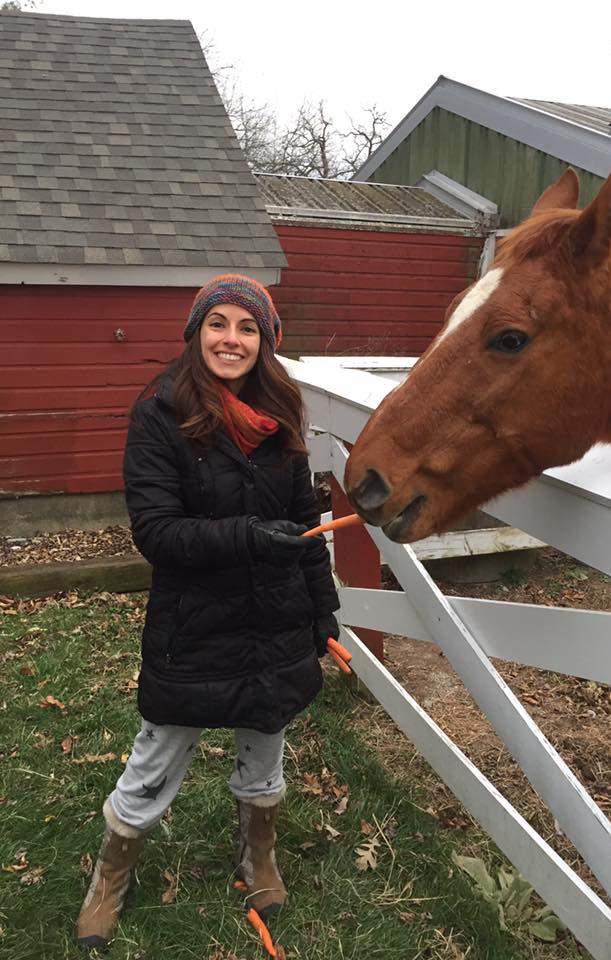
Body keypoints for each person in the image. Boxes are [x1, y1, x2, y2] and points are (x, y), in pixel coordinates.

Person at [76, 274, 340, 951]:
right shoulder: (160, 412)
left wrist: (322, 612)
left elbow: (306, 520)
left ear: (266, 340)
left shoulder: (282, 409)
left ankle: (258, 854)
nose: (232, 338)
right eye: (218, 323)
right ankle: (113, 870)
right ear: (197, 333)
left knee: (265, 737)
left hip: (275, 619)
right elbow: (157, 532)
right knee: (159, 752)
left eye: (247, 327)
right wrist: (249, 535)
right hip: (193, 623)